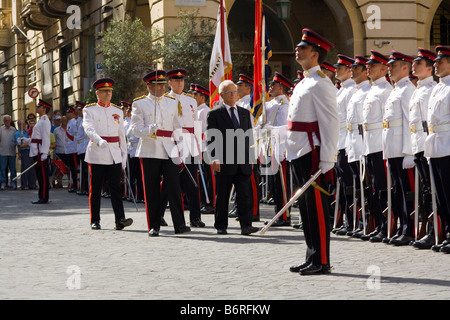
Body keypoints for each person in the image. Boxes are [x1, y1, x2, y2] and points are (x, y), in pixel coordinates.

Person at [286, 28, 338, 275]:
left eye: (303, 48)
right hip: (297, 150)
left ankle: (322, 260)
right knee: (305, 208)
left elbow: (330, 122)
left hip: (312, 153)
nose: (298, 49)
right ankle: (311, 255)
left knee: (317, 208)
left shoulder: (321, 83)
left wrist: (328, 158)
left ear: (315, 55)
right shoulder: (305, 82)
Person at [130, 70, 190, 237]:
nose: (162, 87)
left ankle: (180, 224)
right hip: (150, 149)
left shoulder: (172, 102)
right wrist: (148, 130)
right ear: (149, 87)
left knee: (174, 186)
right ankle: (154, 225)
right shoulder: (140, 104)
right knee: (152, 190)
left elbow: (178, 126)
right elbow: (135, 130)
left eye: (163, 84)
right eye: (158, 85)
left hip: (169, 149)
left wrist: (181, 147)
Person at [206, 79, 259, 236]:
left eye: (235, 92)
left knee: (244, 194)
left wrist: (250, 158)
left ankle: (246, 225)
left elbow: (249, 136)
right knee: (222, 195)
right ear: (222, 95)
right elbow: (211, 138)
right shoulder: (214, 113)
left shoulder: (244, 113)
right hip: (224, 160)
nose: (233, 95)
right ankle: (221, 226)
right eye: (230, 92)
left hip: (242, 160)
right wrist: (214, 158)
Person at [83, 78, 133, 231]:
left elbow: (121, 136)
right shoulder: (89, 110)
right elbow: (88, 128)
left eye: (110, 91)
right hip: (98, 153)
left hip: (114, 154)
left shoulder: (117, 111)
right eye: (104, 91)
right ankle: (95, 220)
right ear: (97, 93)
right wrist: (99, 140)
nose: (107, 94)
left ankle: (120, 219)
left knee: (116, 188)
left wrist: (123, 158)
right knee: (96, 188)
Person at [382, 51, 416, 246]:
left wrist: (409, 151)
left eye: (393, 65)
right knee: (397, 190)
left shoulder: (407, 90)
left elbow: (408, 123)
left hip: (402, 149)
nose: (389, 68)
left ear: (405, 67)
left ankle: (409, 229)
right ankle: (403, 226)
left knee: (405, 190)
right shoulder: (396, 89)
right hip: (392, 147)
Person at [359, 50, 393, 243]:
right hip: (369, 144)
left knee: (381, 187)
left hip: (380, 144)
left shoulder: (385, 90)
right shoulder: (373, 89)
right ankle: (379, 223)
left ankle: (386, 224)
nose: (368, 68)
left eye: (372, 66)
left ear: (383, 69)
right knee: (373, 187)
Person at [164, 68, 204, 228]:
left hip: (189, 144)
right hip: (171, 144)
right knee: (169, 183)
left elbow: (196, 125)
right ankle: (160, 216)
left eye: (182, 80)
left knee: (192, 183)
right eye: (176, 81)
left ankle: (195, 217)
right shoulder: (164, 100)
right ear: (170, 83)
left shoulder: (191, 101)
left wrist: (198, 148)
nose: (180, 83)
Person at [408, 48, 437, 249]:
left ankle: (436, 230)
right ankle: (431, 230)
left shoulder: (430, 90)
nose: (413, 66)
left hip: (428, 145)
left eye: (418, 64)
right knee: (426, 189)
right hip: (417, 144)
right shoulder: (418, 89)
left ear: (428, 68)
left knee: (432, 190)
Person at [424, 46, 450, 253]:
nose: (435, 64)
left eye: (440, 62)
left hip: (448, 145)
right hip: (435, 144)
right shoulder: (437, 88)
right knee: (441, 194)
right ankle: (448, 232)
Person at [344, 55, 371, 237]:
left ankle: (369, 222)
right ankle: (359, 222)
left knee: (366, 186)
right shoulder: (354, 91)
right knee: (356, 186)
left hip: (363, 143)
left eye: (356, 68)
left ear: (364, 71)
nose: (351, 70)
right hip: (351, 142)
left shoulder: (369, 90)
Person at [263, 71, 292, 226]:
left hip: (281, 149)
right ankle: (278, 213)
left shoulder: (284, 105)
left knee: (282, 183)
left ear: (281, 87)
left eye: (273, 84)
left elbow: (283, 128)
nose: (270, 86)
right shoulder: (271, 103)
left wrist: (268, 129)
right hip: (272, 147)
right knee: (275, 184)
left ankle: (284, 215)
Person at [333, 55, 357, 236]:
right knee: (342, 182)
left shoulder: (350, 90)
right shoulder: (341, 90)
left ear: (349, 70)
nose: (336, 70)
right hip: (339, 141)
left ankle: (352, 220)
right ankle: (347, 219)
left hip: (346, 141)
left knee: (349, 183)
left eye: (339, 67)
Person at [192, 84, 215, 214]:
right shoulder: (198, 110)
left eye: (195, 95)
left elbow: (207, 131)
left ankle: (210, 202)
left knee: (208, 177)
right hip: (200, 146)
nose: (193, 97)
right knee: (202, 176)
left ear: (202, 97)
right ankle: (205, 201)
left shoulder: (204, 110)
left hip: (205, 147)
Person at [29, 100, 52, 204]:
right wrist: (27, 141)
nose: (37, 107)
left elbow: (46, 138)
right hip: (37, 150)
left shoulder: (45, 120)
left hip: (40, 152)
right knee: (40, 175)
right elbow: (36, 137)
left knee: (42, 175)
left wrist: (44, 153)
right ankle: (42, 196)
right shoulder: (41, 120)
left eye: (39, 106)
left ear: (44, 108)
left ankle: (43, 197)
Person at [15, 119, 36, 190]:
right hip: (25, 152)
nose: (23, 125)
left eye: (24, 124)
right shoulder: (17, 133)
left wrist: (28, 143)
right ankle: (24, 185)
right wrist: (29, 143)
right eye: (22, 124)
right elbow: (20, 145)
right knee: (25, 168)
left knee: (32, 169)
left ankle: (32, 184)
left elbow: (32, 139)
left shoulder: (28, 131)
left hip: (31, 151)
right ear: (18, 125)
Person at [75, 101, 89, 195]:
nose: (78, 111)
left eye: (80, 109)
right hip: (81, 148)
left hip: (86, 147)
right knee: (83, 170)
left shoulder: (87, 120)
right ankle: (84, 188)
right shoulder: (80, 120)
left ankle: (87, 188)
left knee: (86, 170)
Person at [0, 115, 17, 189]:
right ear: (4, 121)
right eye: (6, 120)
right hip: (3, 152)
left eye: (9, 120)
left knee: (13, 169)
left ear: (11, 121)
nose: (7, 122)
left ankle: (13, 183)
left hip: (12, 152)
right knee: (3, 169)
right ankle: (3, 183)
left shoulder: (14, 130)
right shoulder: (0, 129)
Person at [65, 106, 78, 193]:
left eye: (69, 112)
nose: (67, 114)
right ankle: (73, 184)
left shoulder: (74, 123)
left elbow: (76, 137)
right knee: (71, 168)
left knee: (74, 168)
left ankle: (76, 185)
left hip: (73, 149)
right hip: (69, 149)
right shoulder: (69, 123)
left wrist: (76, 148)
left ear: (73, 114)